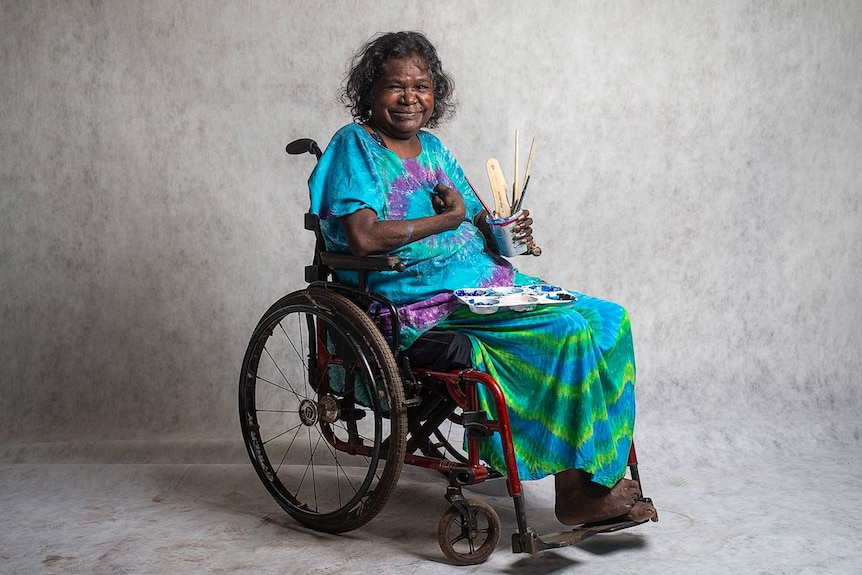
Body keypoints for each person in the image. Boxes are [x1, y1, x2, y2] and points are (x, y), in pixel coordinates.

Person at [308, 31, 656, 526]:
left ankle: (600, 475)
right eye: (395, 87)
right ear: (369, 92)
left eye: (422, 87)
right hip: (417, 304)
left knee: (608, 319)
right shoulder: (354, 146)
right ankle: (575, 494)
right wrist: (445, 222)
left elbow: (478, 218)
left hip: (483, 287)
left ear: (436, 94)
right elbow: (363, 238)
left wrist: (508, 229)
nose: (411, 98)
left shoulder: (433, 150)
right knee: (567, 332)